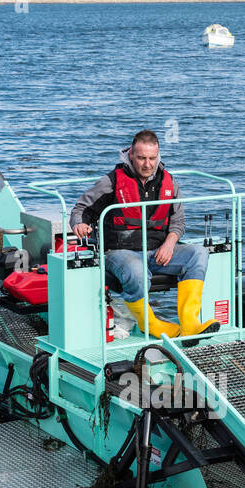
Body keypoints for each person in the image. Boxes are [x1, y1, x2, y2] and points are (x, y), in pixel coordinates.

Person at [70, 130, 217, 339]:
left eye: (152, 158)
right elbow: (80, 210)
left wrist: (169, 244)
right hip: (119, 253)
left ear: (158, 156)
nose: (147, 164)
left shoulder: (170, 183)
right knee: (136, 271)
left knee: (199, 253)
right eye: (141, 158)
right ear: (130, 154)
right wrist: (80, 225)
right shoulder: (111, 181)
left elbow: (178, 222)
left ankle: (190, 323)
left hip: (157, 251)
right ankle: (152, 325)